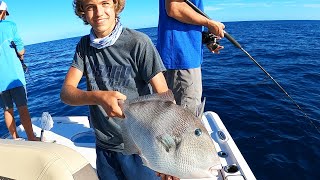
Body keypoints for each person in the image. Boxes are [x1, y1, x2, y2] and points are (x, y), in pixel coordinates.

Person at [61, 0, 176, 179]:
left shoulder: (138, 42)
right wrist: (98, 97)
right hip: (104, 147)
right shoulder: (84, 47)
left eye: (105, 3)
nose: (99, 12)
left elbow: (165, 99)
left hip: (140, 147)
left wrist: (169, 154)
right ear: (82, 10)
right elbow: (66, 93)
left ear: (116, 5)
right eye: (91, 6)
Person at [156, 0, 225, 115]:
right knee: (187, 121)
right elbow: (174, 8)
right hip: (181, 60)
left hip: (182, 57)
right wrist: (209, 23)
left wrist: (205, 38)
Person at [0, 1, 39, 141]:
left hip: (0, 82)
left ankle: (15, 139)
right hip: (14, 77)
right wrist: (20, 54)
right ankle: (31, 138)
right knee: (22, 108)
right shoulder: (10, 25)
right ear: (4, 12)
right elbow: (21, 50)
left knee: (7, 110)